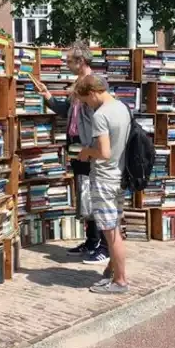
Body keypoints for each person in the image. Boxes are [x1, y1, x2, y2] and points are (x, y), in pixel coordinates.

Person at [34, 42, 110, 264]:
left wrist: (96, 147)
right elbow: (66, 111)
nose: (66, 64)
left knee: (96, 194)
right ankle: (91, 240)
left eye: (69, 61)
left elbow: (104, 115)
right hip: (76, 146)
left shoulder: (95, 83)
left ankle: (105, 247)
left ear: (81, 61)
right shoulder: (76, 85)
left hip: (90, 147)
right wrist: (48, 96)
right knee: (83, 193)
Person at [74, 75, 131, 294]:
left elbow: (104, 153)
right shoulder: (122, 107)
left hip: (105, 178)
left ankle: (120, 281)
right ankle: (112, 271)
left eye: (86, 100)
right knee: (115, 225)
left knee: (110, 231)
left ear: (93, 93)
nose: (87, 105)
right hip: (119, 175)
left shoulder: (101, 115)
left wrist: (87, 151)